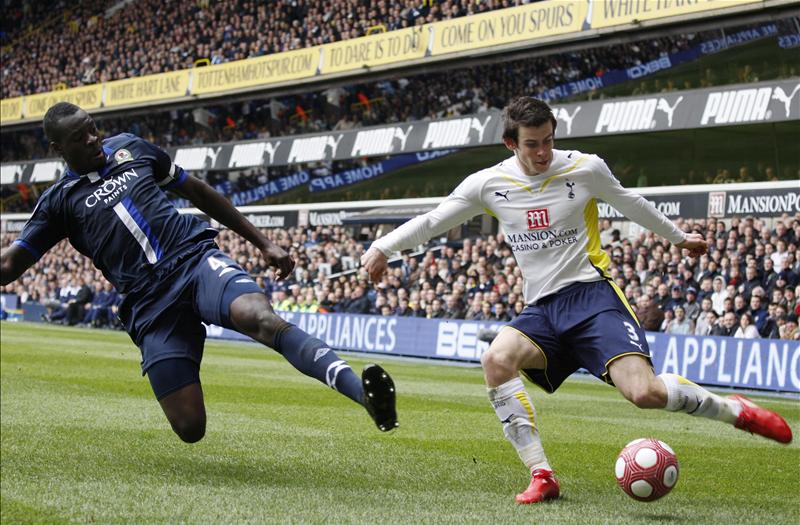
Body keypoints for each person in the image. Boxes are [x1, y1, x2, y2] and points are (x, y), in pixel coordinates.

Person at [360, 97, 792, 505]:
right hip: (542, 309)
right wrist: (382, 247)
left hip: (592, 296)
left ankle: (733, 410)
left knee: (643, 393)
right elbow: (434, 219)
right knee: (496, 360)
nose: (544, 152)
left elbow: (630, 202)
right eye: (532, 144)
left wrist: (678, 238)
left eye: (548, 140)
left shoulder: (585, 168)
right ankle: (541, 475)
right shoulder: (488, 184)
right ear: (511, 143)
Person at [0, 102, 398, 443]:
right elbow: (8, 266)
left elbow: (199, 193)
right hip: (149, 302)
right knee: (190, 427)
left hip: (192, 260)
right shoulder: (57, 203)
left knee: (256, 317)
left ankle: (365, 396)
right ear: (57, 149)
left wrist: (263, 242)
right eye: (80, 137)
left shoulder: (131, 148)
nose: (93, 140)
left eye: (93, 129)